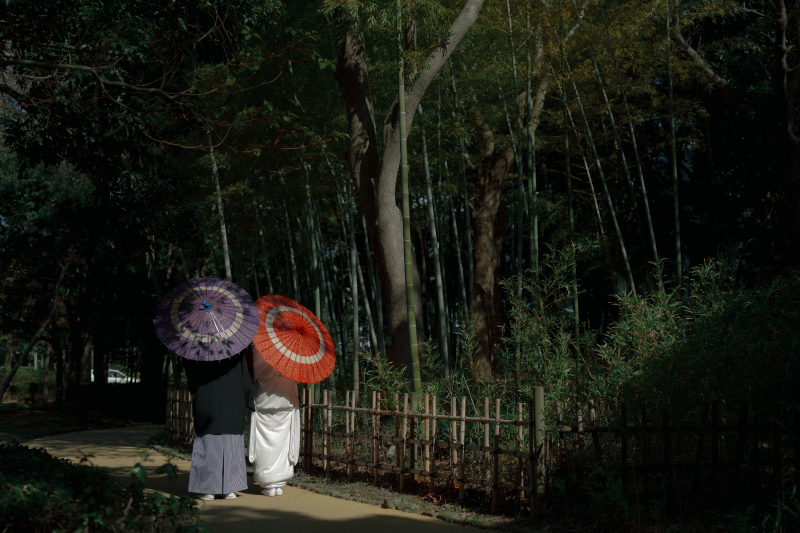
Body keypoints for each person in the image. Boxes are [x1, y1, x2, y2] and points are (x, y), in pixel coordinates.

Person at [183, 349, 255, 501]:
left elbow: (192, 375)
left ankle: (207, 489)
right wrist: (250, 400)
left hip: (208, 397)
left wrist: (194, 389)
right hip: (233, 399)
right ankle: (229, 488)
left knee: (208, 442)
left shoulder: (198, 348)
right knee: (232, 441)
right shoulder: (235, 348)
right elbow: (245, 377)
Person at [247, 345, 300, 496]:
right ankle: (278, 483)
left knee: (264, 441)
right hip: (285, 401)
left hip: (264, 402)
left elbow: (251, 374)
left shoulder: (260, 349)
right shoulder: (292, 351)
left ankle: (267, 481)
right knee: (283, 442)